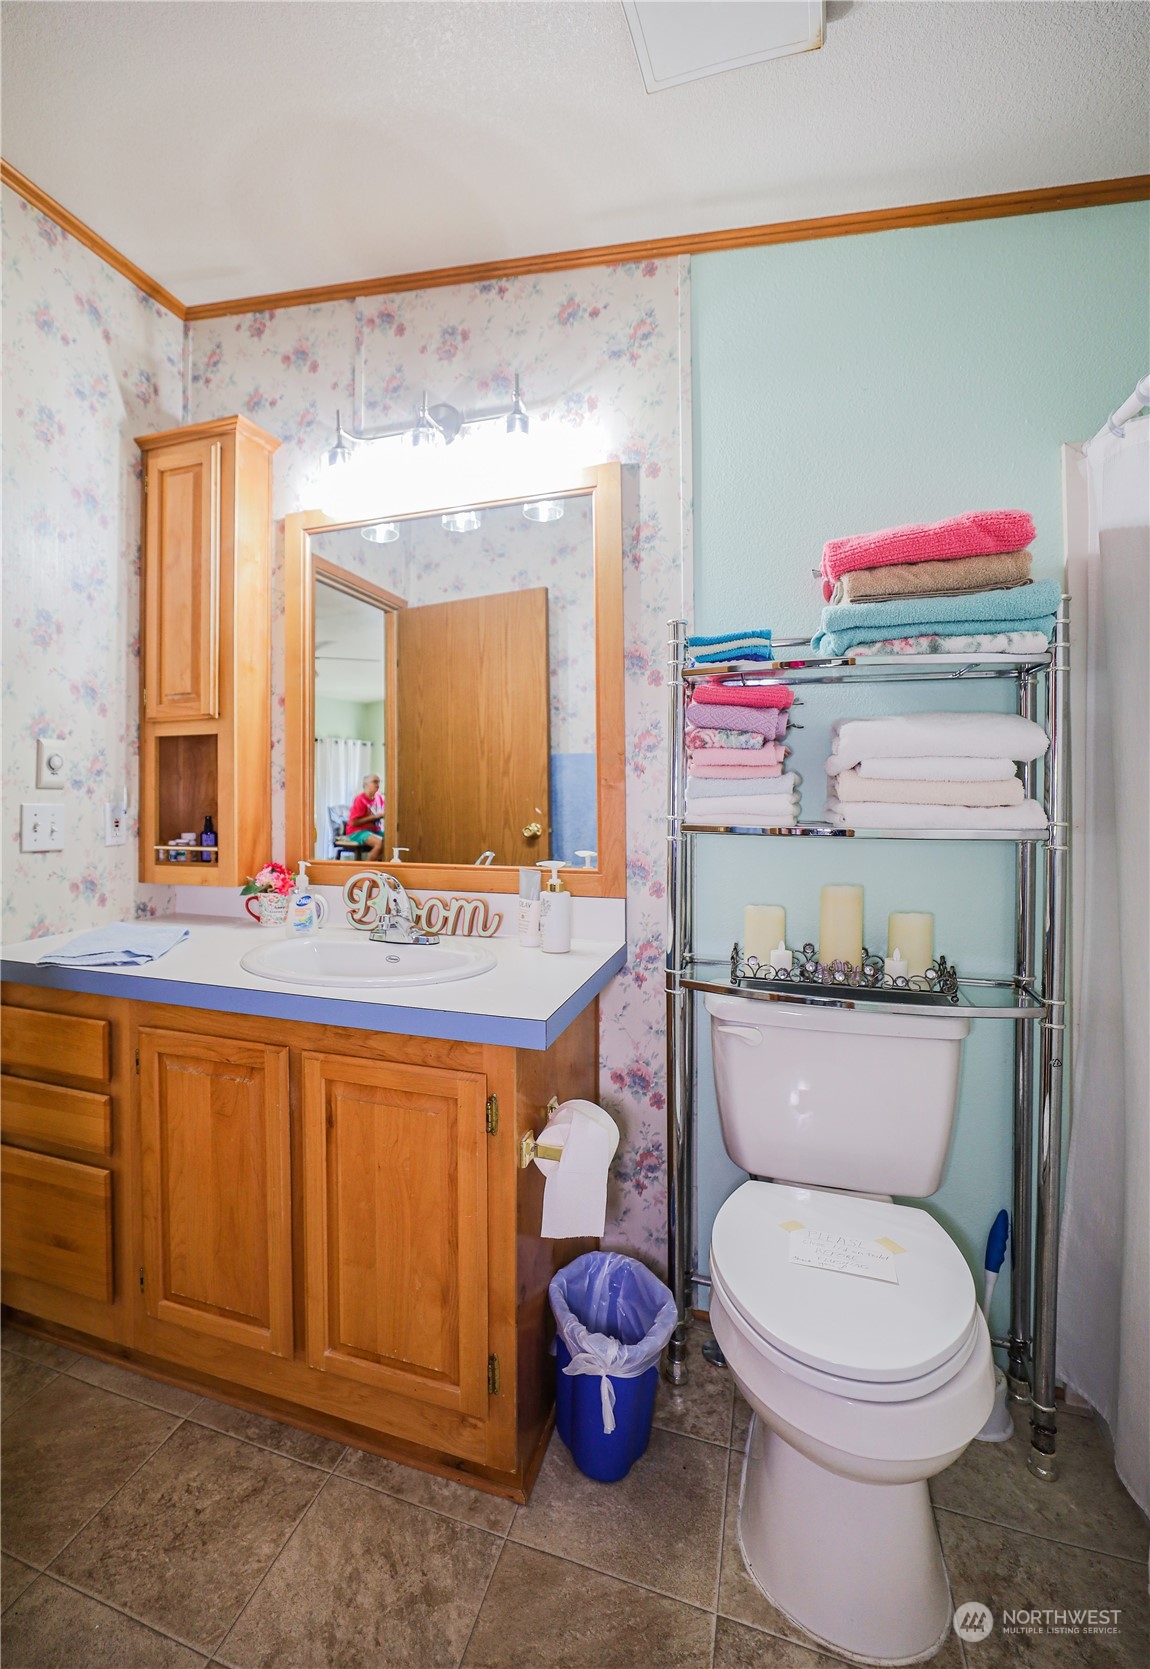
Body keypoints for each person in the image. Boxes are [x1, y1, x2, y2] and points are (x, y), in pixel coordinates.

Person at [344, 774, 386, 861]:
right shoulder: (360, 799)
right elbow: (353, 822)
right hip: (357, 831)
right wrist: (374, 817)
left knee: (392, 839)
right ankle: (367, 870)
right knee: (380, 843)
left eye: (379, 782)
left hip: (375, 830)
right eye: (375, 782)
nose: (378, 784)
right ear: (366, 784)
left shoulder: (379, 797)